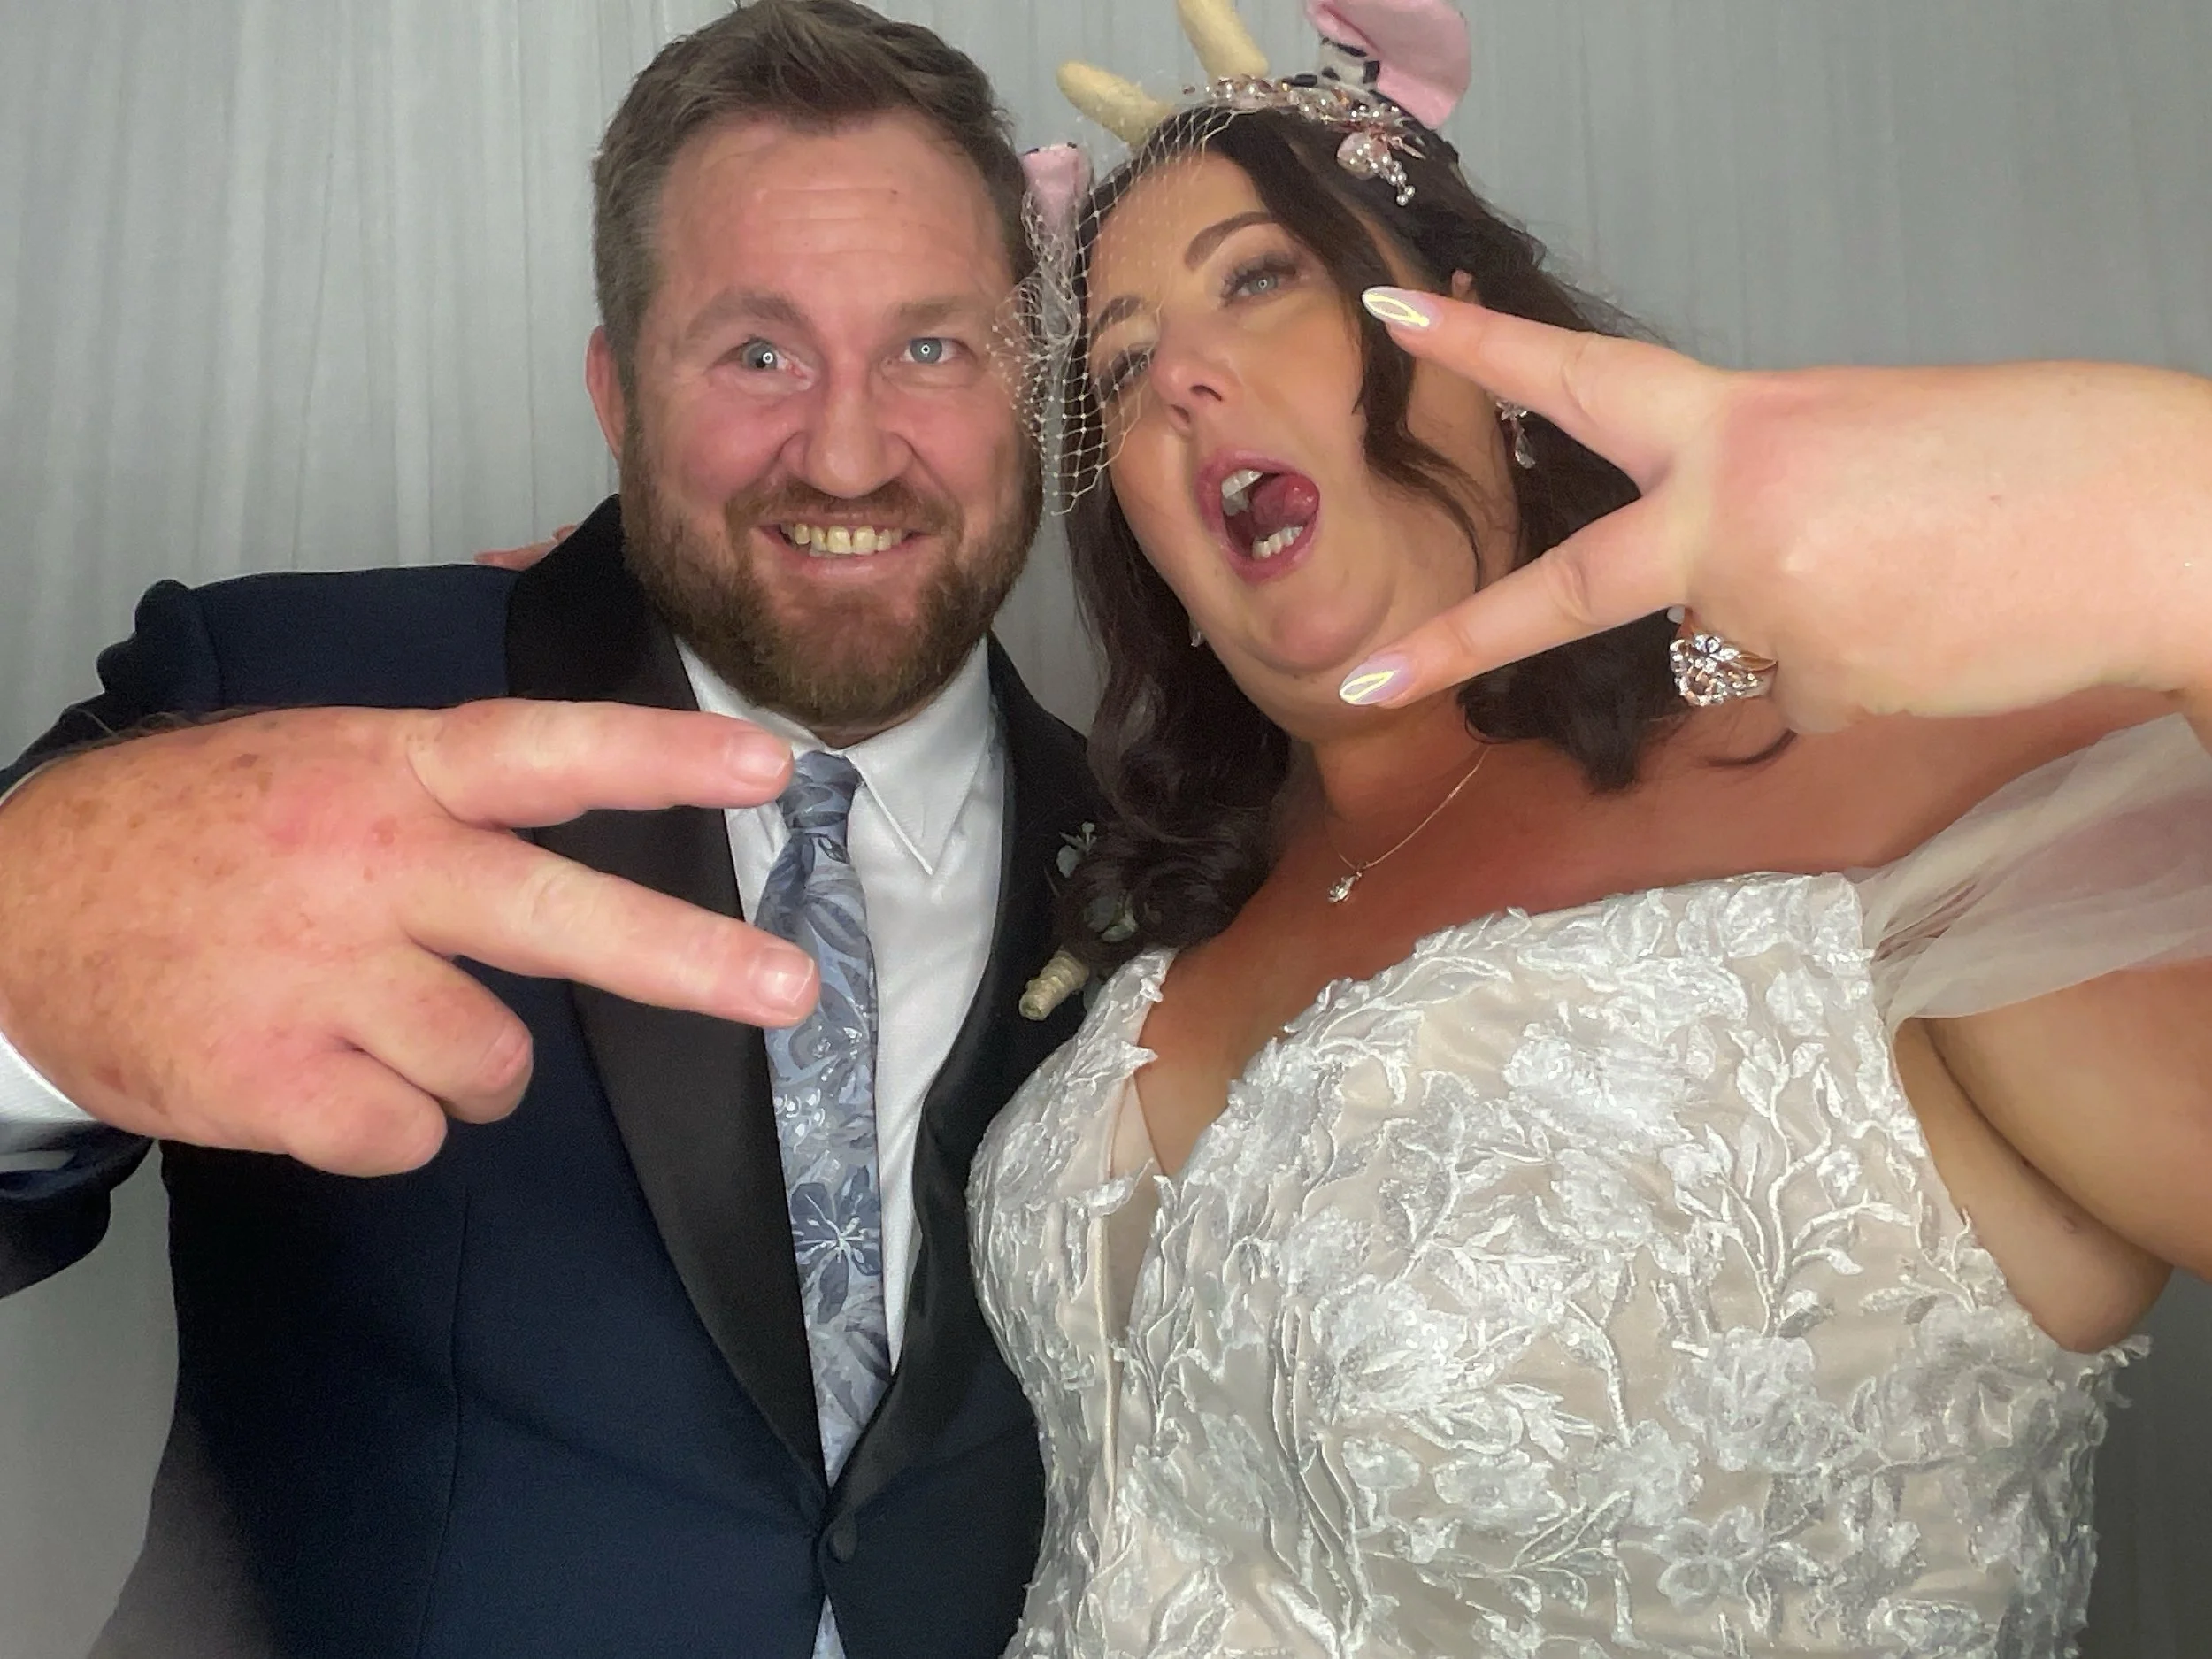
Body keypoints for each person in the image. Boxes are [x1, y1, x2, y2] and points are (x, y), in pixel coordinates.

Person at [964, 3, 2212, 1653]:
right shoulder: (1171, 898)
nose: (1183, 372)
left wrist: (2174, 510)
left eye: (1261, 277)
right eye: (1120, 363)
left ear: (1482, 340)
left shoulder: (1905, 776)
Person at [0, 4, 1097, 1655]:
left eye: (933, 349)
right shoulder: (288, 704)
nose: (853, 450)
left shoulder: (1171, 846)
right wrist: (22, 958)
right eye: (758, 353)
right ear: (615, 388)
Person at [1336, 300, 2212, 741]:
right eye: (1183, 329)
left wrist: (2163, 525)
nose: (1192, 371)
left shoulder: (1923, 695)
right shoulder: (1198, 942)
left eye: (1261, 276)